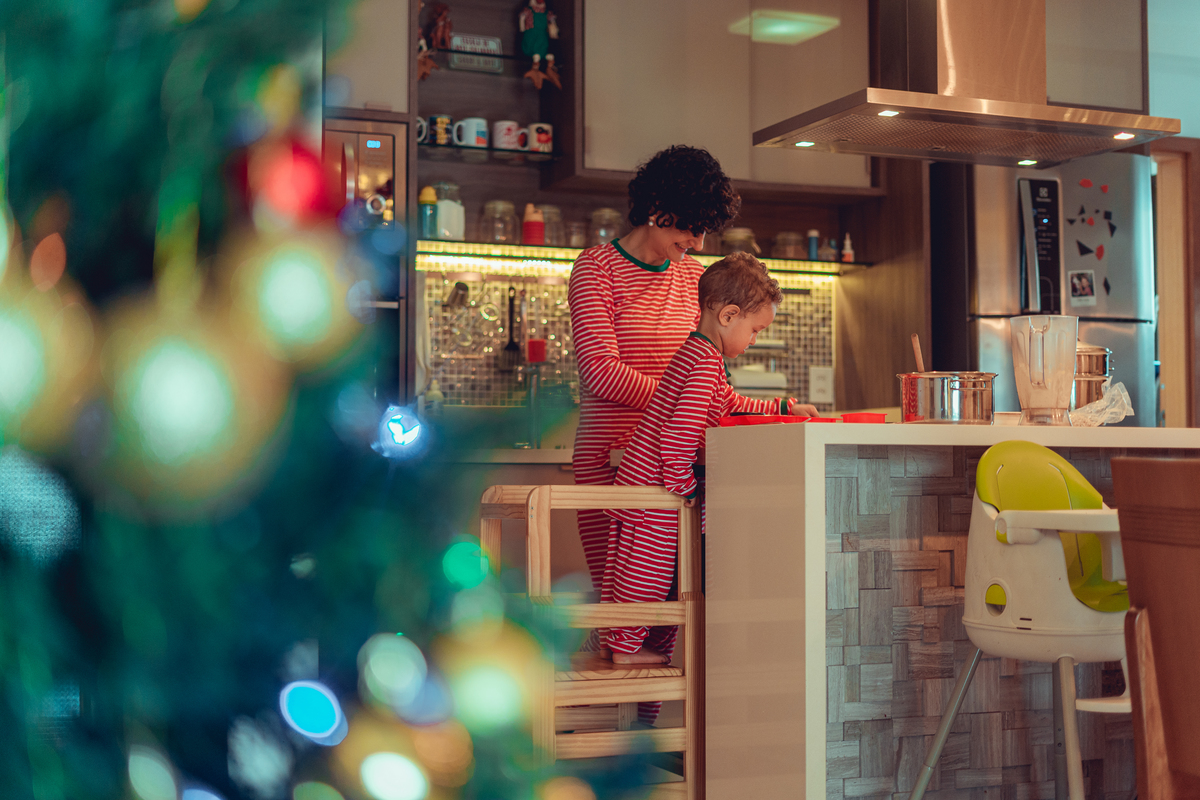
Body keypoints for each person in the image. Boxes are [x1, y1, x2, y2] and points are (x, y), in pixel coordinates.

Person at [599, 252, 814, 723]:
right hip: (654, 489)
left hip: (650, 484)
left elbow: (727, 402)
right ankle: (623, 651)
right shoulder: (702, 363)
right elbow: (678, 440)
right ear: (728, 315)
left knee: (660, 581)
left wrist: (780, 407)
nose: (755, 340)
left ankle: (642, 710)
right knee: (648, 579)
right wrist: (689, 492)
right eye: (754, 330)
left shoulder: (700, 355)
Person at [568, 145, 741, 594]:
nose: (699, 243)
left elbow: (712, 378)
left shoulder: (695, 277)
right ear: (659, 209)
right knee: (622, 604)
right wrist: (684, 397)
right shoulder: (596, 268)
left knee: (673, 605)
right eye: (692, 227)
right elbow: (601, 372)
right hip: (612, 458)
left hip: (678, 459)